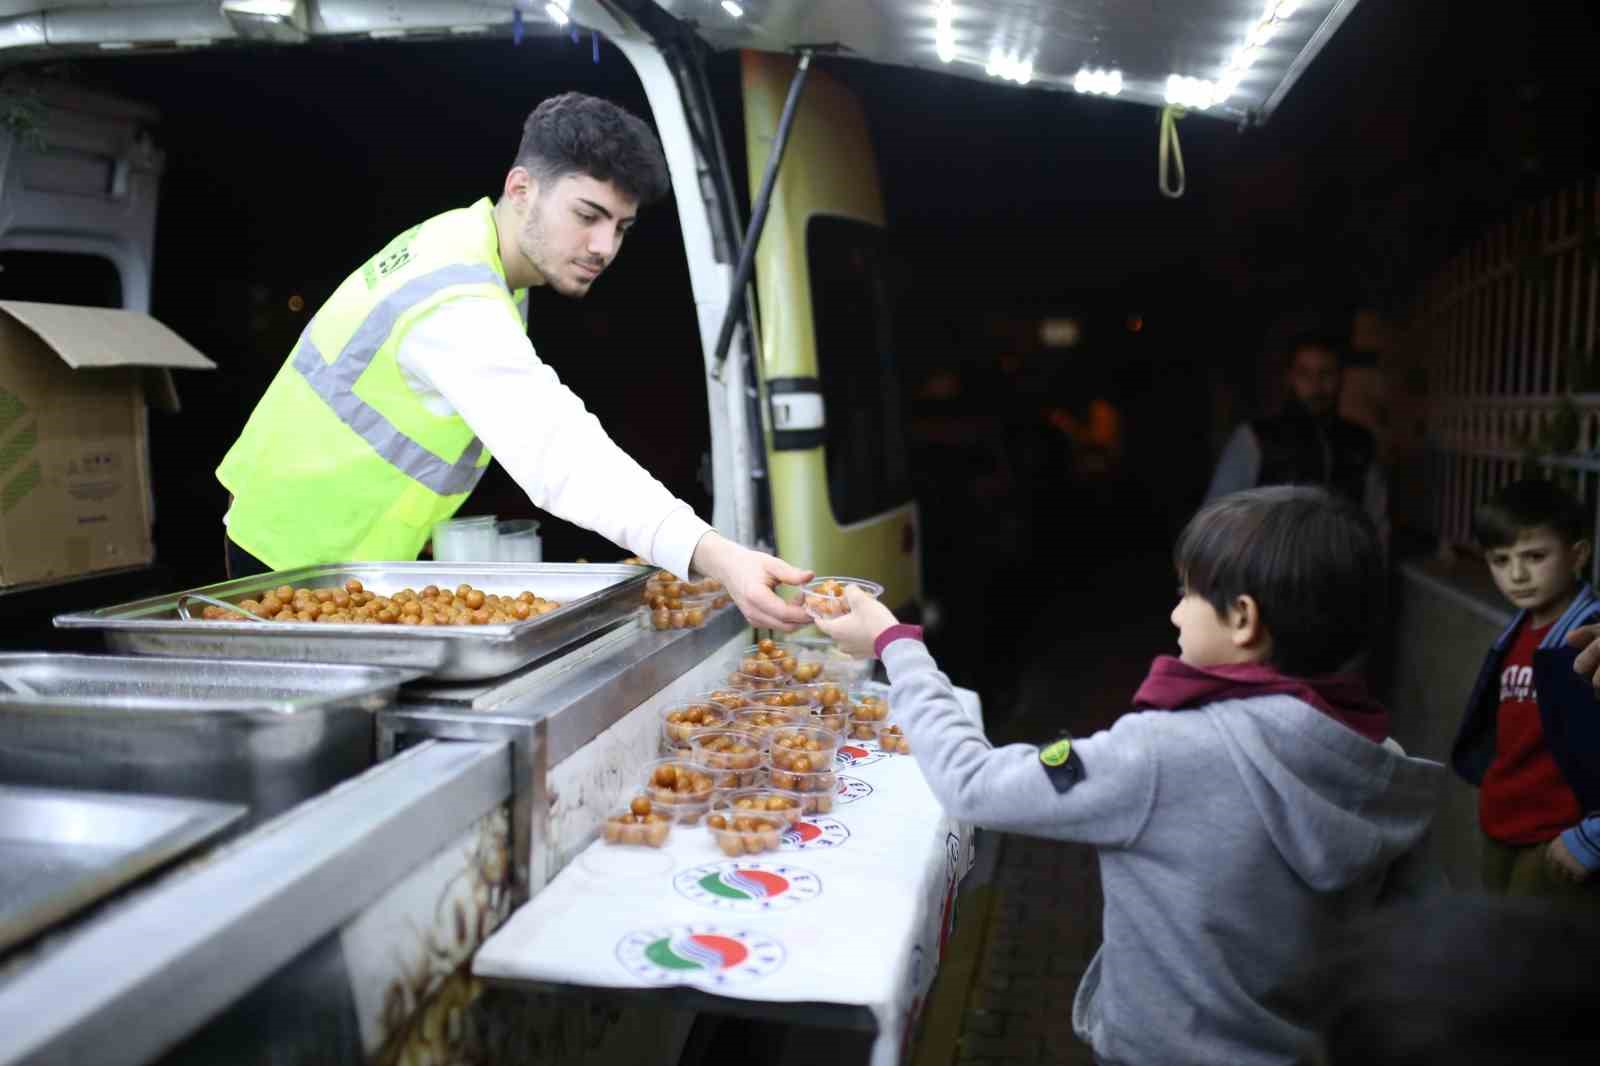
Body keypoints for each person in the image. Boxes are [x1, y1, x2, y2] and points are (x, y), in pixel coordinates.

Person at [816, 486, 1443, 1066]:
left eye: (1187, 593)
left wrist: (896, 644)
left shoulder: (1167, 753)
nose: (1174, 615)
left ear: (1244, 619)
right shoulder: (1369, 757)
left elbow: (973, 782)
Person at [215, 92, 810, 630]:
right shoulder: (457, 297)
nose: (605, 247)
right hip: (292, 566)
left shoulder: (469, 247)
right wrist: (714, 553)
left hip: (333, 553)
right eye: (587, 216)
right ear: (522, 188)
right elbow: (559, 452)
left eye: (621, 227)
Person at [1450, 478, 1600, 896]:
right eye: (1500, 560)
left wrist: (1591, 838)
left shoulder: (1589, 638)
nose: (1516, 575)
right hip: (1503, 824)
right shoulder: (1517, 632)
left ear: (1578, 555)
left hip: (1558, 839)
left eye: (1535, 556)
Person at [1205, 336, 1389, 546]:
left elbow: (1376, 520)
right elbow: (1217, 516)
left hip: (1343, 570)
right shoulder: (1255, 437)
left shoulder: (1360, 442)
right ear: (1290, 378)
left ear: (1341, 377)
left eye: (1326, 373)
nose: (1316, 384)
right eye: (1304, 374)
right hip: (1271, 570)